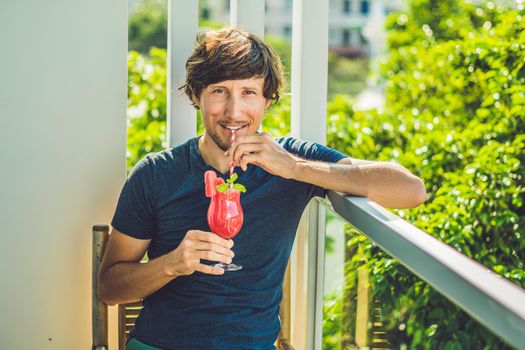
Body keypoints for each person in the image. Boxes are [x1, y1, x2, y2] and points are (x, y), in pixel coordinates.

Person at [98, 28, 427, 350]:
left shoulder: (292, 160)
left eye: (248, 93)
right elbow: (109, 288)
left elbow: (410, 190)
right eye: (219, 91)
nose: (233, 112)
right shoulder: (155, 173)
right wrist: (171, 264)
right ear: (196, 96)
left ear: (268, 99)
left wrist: (295, 168)